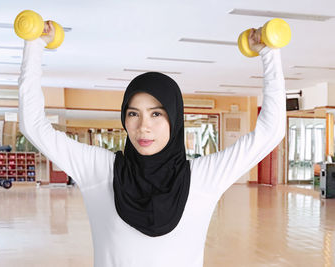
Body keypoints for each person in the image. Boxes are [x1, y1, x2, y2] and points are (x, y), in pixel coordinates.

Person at [18, 21, 285, 267]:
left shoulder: (203, 177)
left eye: (156, 114)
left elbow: (270, 131)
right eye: (133, 114)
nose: (143, 126)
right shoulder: (99, 170)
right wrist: (35, 45)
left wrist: (269, 53)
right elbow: (34, 125)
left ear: (175, 119)